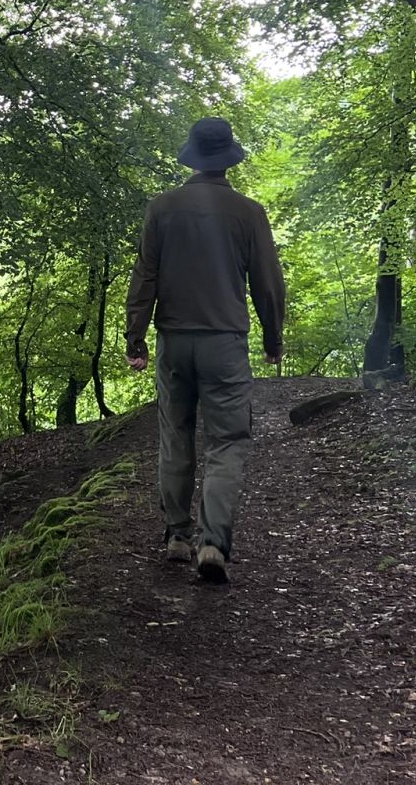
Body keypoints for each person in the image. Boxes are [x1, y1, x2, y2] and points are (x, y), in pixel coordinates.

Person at [124, 117, 286, 583]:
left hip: (174, 341)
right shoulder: (249, 212)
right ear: (228, 159)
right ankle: (213, 543)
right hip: (225, 344)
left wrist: (136, 338)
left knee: (176, 437)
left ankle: (176, 535)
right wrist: (273, 338)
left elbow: (145, 277)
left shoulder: (162, 208)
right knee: (227, 442)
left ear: (192, 157)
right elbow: (267, 284)